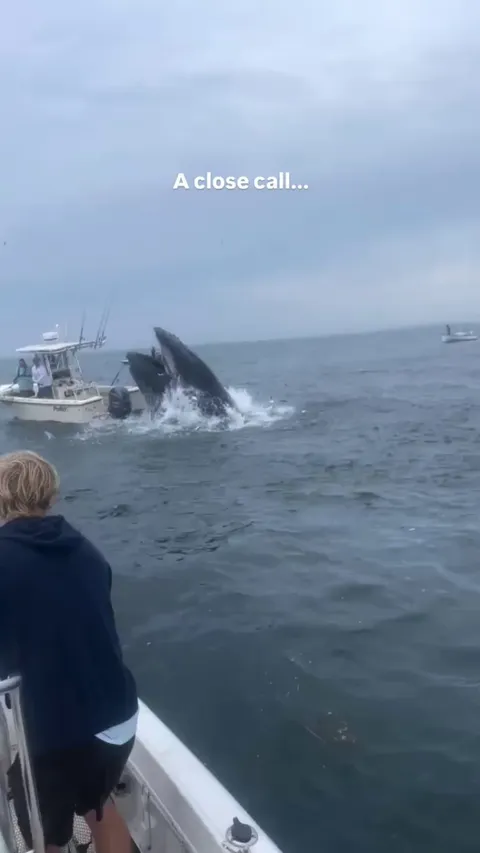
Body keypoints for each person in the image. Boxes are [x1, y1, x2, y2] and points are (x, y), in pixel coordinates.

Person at [0, 451, 138, 853]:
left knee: (45, 835)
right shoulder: (86, 550)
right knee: (96, 803)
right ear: (50, 493)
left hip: (59, 733)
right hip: (119, 722)